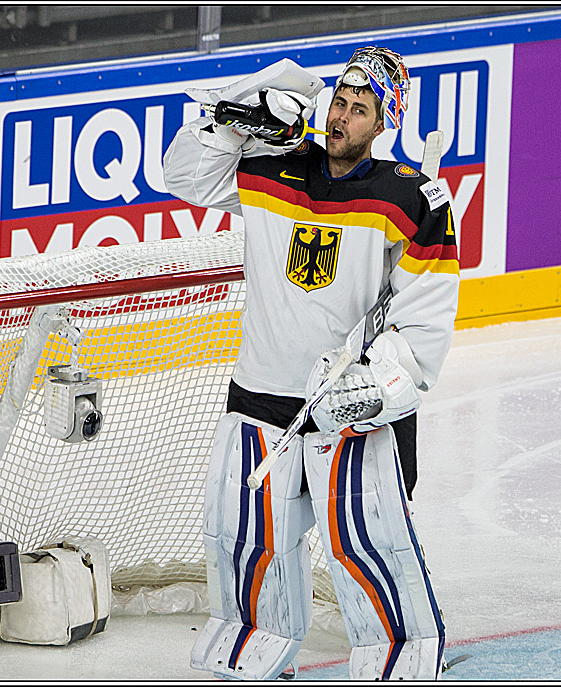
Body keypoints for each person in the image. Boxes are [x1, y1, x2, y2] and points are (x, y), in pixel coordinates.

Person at [163, 46, 459, 681]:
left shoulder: (412, 200)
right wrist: (229, 123)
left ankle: (398, 663)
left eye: (362, 110)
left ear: (384, 124)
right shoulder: (272, 164)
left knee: (366, 546)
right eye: (342, 104)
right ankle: (251, 657)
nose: (344, 118)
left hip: (349, 409)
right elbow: (183, 178)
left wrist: (381, 383)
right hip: (260, 395)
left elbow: (427, 319)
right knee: (245, 541)